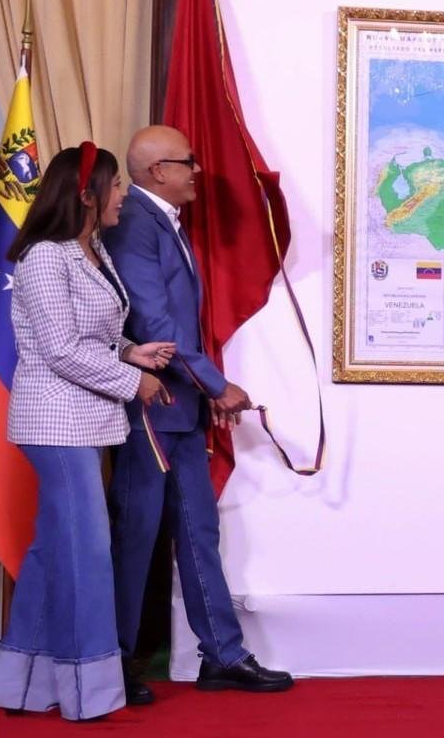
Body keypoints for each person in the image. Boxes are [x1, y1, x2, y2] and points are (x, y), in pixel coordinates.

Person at [0, 142, 174, 721]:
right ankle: (90, 692)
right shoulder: (45, 257)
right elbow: (60, 349)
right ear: (87, 195)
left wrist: (132, 351)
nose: (122, 196)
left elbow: (93, 333)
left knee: (52, 549)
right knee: (87, 548)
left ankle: (20, 686)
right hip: (54, 422)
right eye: (115, 186)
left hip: (86, 420)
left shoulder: (93, 251)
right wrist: (133, 381)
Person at [105, 125, 293, 701]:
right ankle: (111, 664)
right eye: (188, 161)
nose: (198, 170)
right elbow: (153, 324)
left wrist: (203, 390)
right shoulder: (135, 223)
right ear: (158, 170)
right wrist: (216, 383)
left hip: (180, 406)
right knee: (136, 538)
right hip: (149, 408)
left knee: (198, 533)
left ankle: (223, 655)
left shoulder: (164, 221)